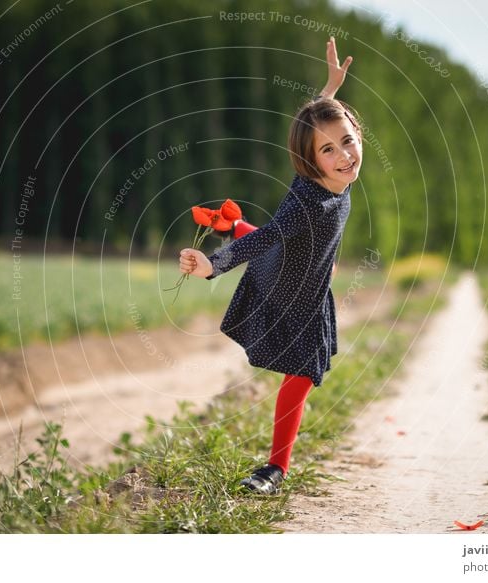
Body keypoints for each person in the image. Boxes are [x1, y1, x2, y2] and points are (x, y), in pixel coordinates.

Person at [178, 38, 362, 495]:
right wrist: (213, 267)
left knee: (301, 375)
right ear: (309, 160)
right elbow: (270, 239)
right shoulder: (309, 203)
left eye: (348, 141)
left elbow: (323, 126)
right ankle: (275, 469)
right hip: (286, 286)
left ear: (358, 133)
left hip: (308, 280)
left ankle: (231, 222)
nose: (343, 156)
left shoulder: (338, 174)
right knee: (299, 379)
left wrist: (330, 90)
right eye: (328, 151)